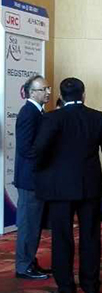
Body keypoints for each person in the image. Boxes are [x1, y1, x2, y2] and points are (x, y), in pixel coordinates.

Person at [33, 77, 102, 293]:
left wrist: (44, 175)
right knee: (91, 236)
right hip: (90, 186)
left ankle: (66, 290)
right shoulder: (99, 117)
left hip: (59, 188)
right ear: (84, 94)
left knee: (62, 238)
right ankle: (91, 287)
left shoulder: (52, 118)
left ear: (61, 96)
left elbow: (38, 151)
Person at [14, 75, 52, 280]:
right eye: (43, 89)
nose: (48, 92)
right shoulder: (29, 112)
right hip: (30, 180)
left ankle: (29, 261)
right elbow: (25, 148)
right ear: (31, 92)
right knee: (28, 225)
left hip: (36, 179)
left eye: (48, 88)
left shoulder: (38, 112)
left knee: (34, 224)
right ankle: (24, 266)